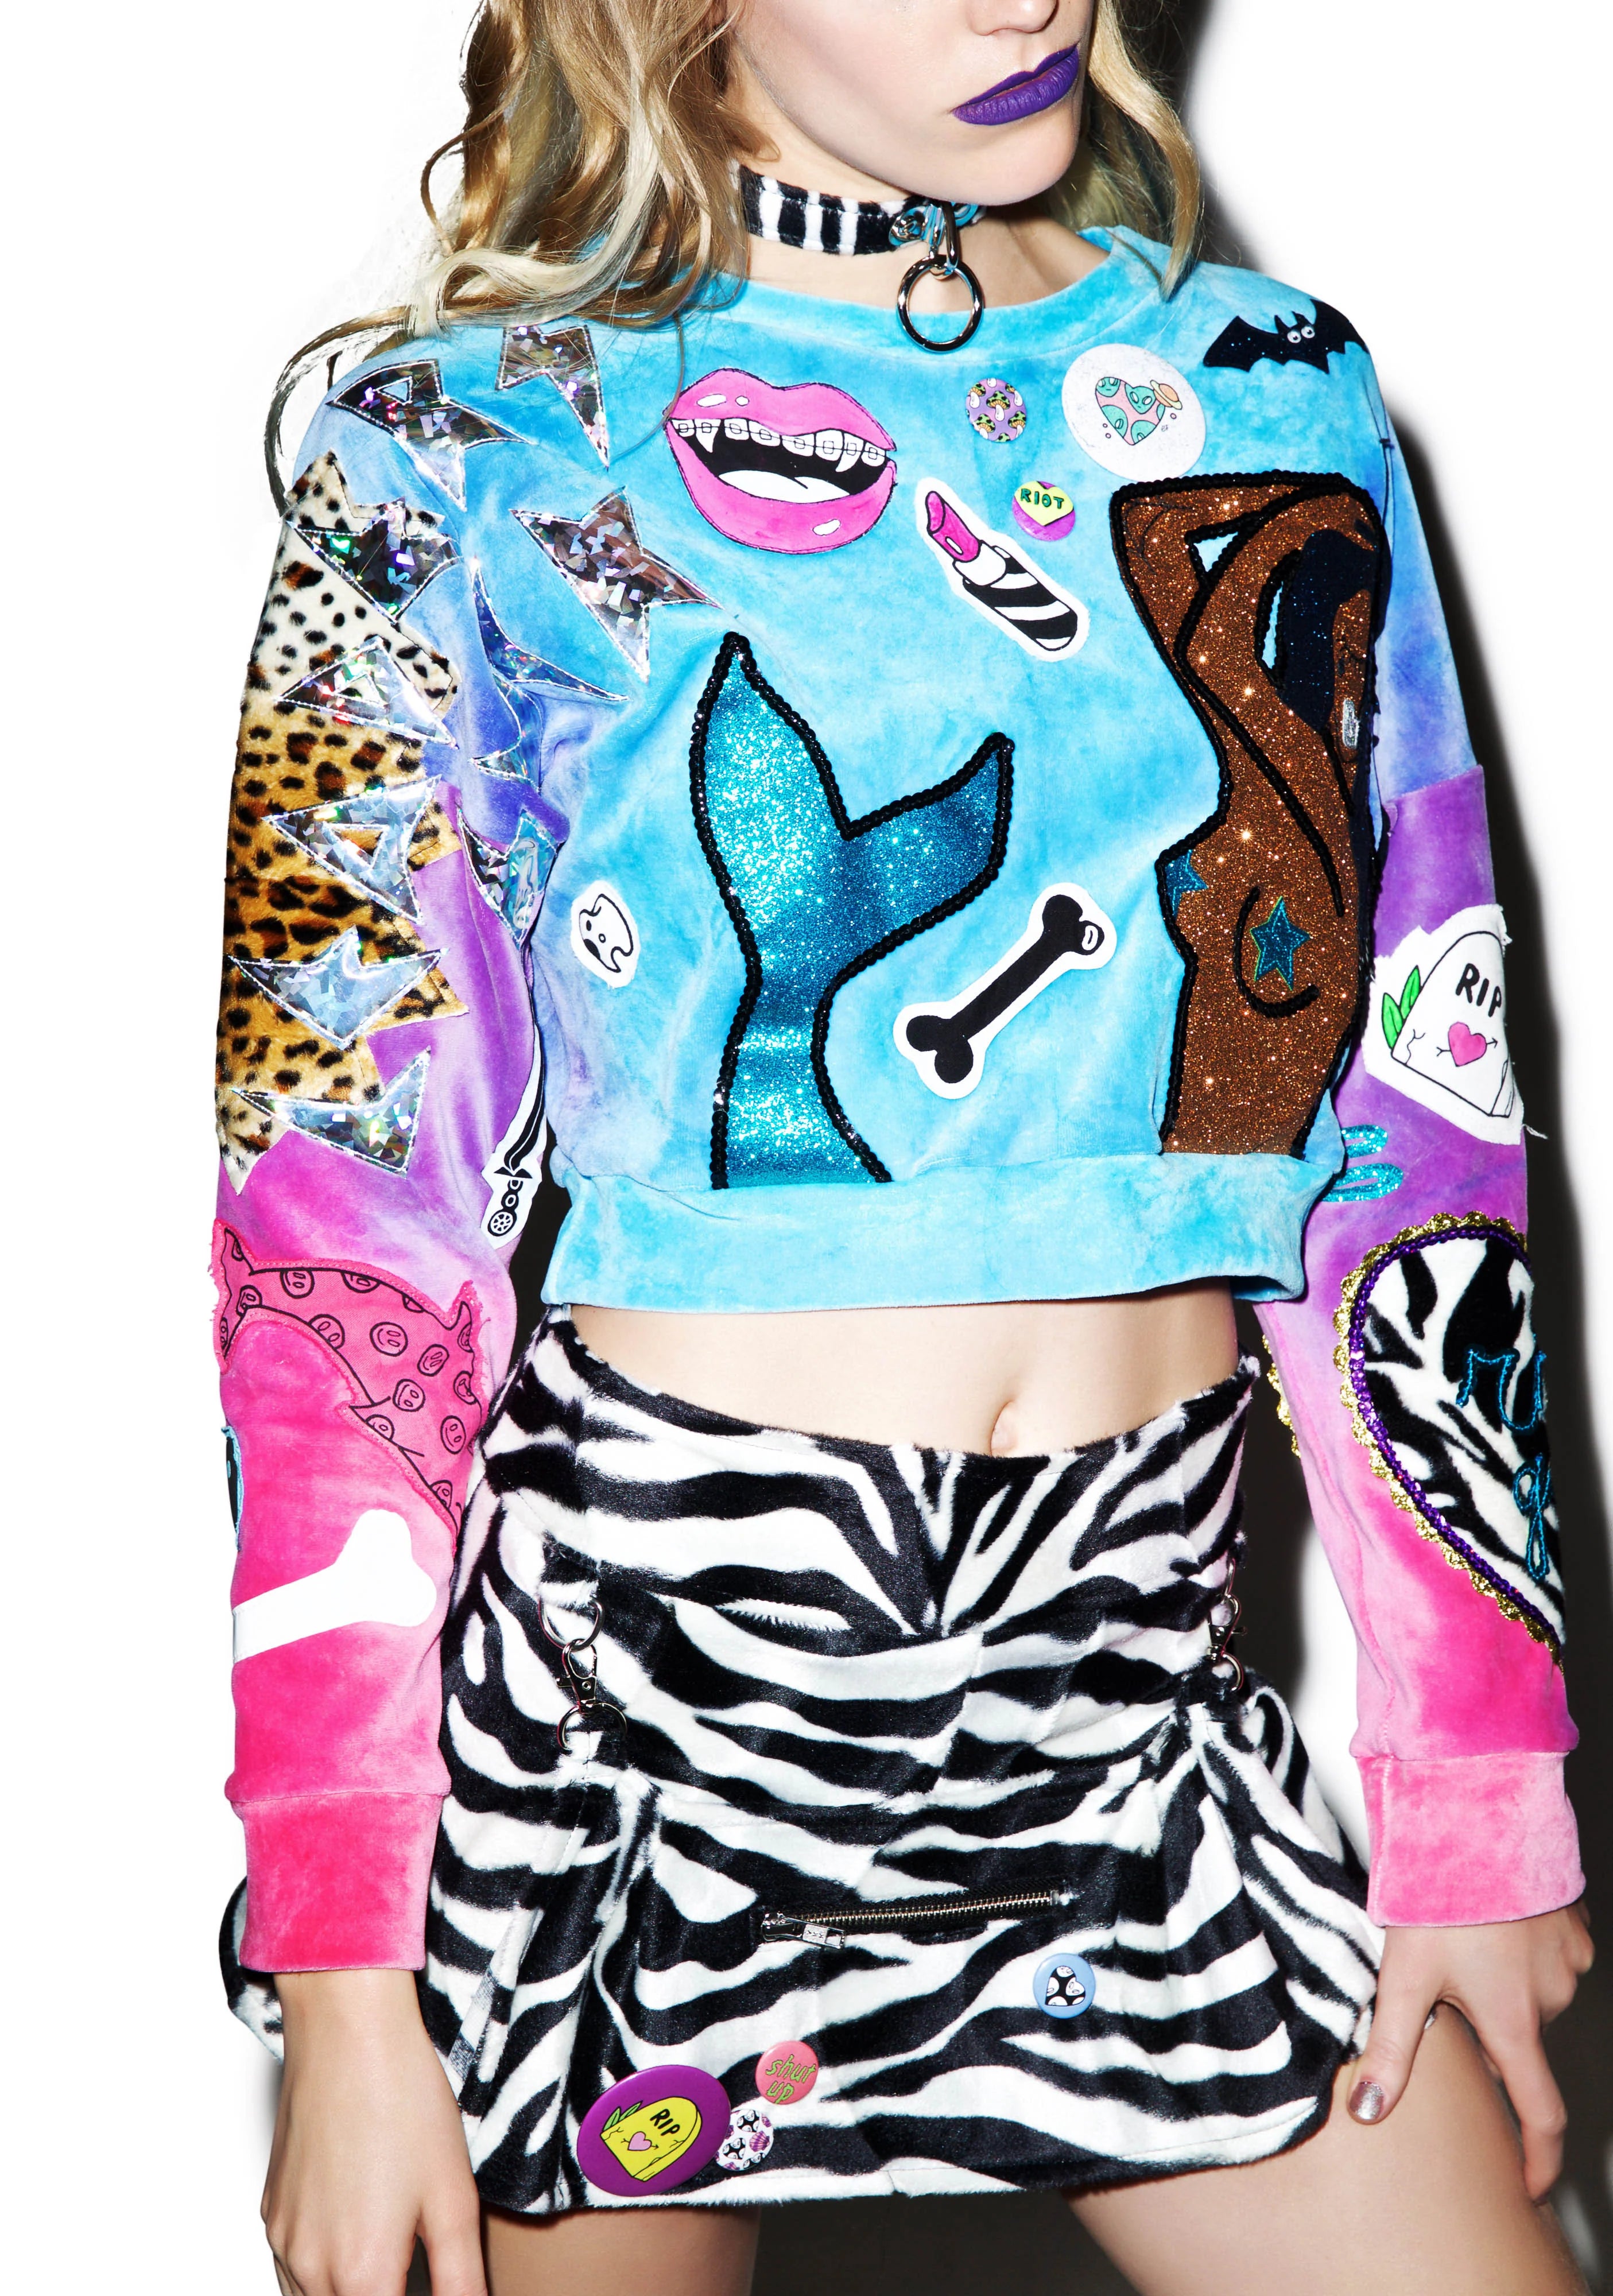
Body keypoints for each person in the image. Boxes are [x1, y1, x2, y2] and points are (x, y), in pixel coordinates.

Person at [212, 4, 1594, 2291]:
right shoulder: (461, 441)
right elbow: (338, 1237)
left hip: (1134, 1697)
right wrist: (346, 1964)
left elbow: (1415, 1121)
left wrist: (1477, 1791)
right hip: (647, 1725)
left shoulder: (1264, 391)